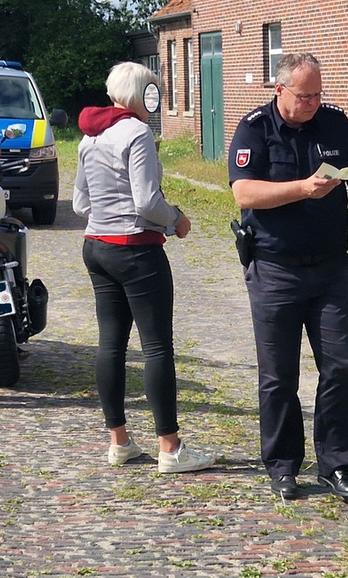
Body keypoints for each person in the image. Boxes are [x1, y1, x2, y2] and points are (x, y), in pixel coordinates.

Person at [228, 53, 348, 501]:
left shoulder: (334, 122)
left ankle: (337, 465)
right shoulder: (255, 128)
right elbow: (244, 192)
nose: (314, 102)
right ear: (280, 90)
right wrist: (302, 188)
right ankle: (282, 466)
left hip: (331, 269)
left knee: (339, 368)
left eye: (318, 94)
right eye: (305, 95)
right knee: (278, 376)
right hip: (275, 269)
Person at [73, 61, 215, 474]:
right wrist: (176, 219)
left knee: (111, 345)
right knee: (156, 347)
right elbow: (146, 200)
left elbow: (80, 203)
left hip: (97, 246)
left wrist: (108, 213)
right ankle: (170, 447)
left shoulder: (89, 136)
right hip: (135, 249)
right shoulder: (137, 133)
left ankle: (119, 442)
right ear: (141, 95)